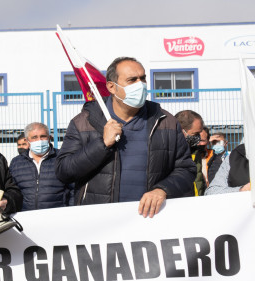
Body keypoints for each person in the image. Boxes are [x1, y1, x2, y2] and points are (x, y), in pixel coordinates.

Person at [56, 57, 194, 216]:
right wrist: (102, 144)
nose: (140, 85)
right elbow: (63, 171)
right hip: (100, 221)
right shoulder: (84, 123)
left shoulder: (166, 122)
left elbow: (185, 169)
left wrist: (162, 190)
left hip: (151, 219)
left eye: (143, 78)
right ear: (111, 87)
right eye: (132, 80)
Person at [8, 122, 71, 210]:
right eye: (34, 137)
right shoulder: (16, 162)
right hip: (26, 217)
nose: (39, 140)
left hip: (57, 216)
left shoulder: (62, 158)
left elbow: (73, 188)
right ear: (27, 140)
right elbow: (12, 190)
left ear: (49, 138)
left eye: (43, 136)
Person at [175, 110, 208, 195]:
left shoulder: (194, 151)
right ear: (181, 131)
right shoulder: (168, 152)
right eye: (196, 133)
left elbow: (198, 181)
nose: (198, 137)